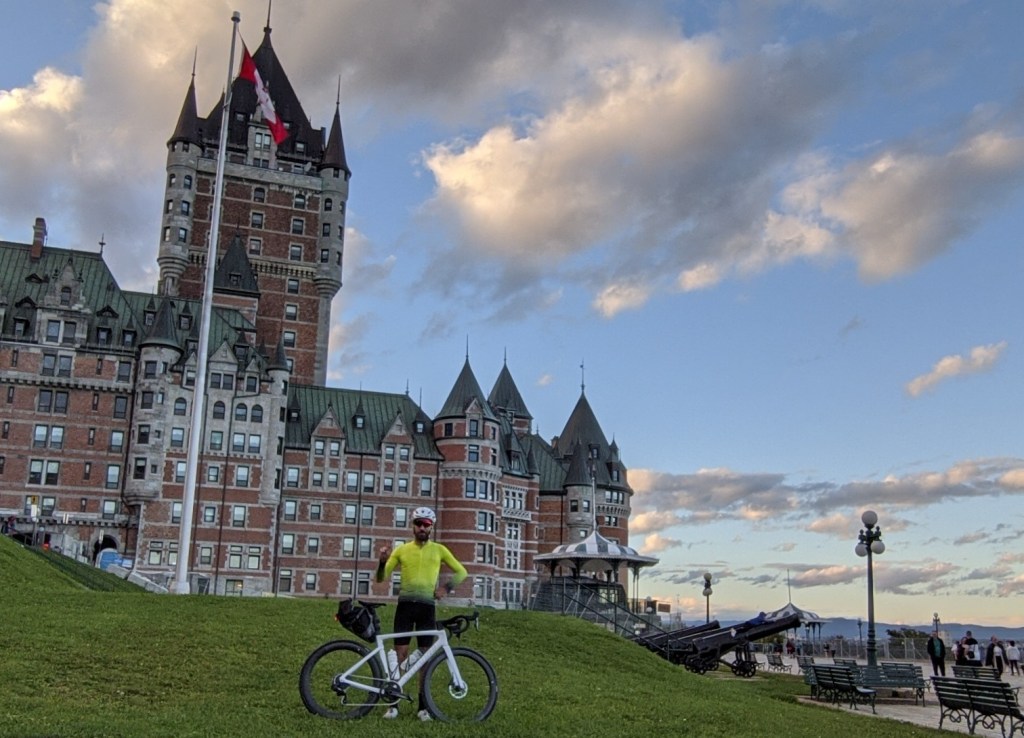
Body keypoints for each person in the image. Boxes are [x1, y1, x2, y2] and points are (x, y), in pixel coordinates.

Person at [375, 506, 467, 721]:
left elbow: (462, 571)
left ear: (431, 527)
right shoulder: (402, 550)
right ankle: (393, 705)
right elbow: (381, 578)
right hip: (405, 606)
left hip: (427, 608)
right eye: (418, 524)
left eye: (426, 524)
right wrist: (381, 562)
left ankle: (423, 707)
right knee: (400, 655)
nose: (422, 528)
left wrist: (446, 588)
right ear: (412, 526)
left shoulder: (439, 550)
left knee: (424, 658)